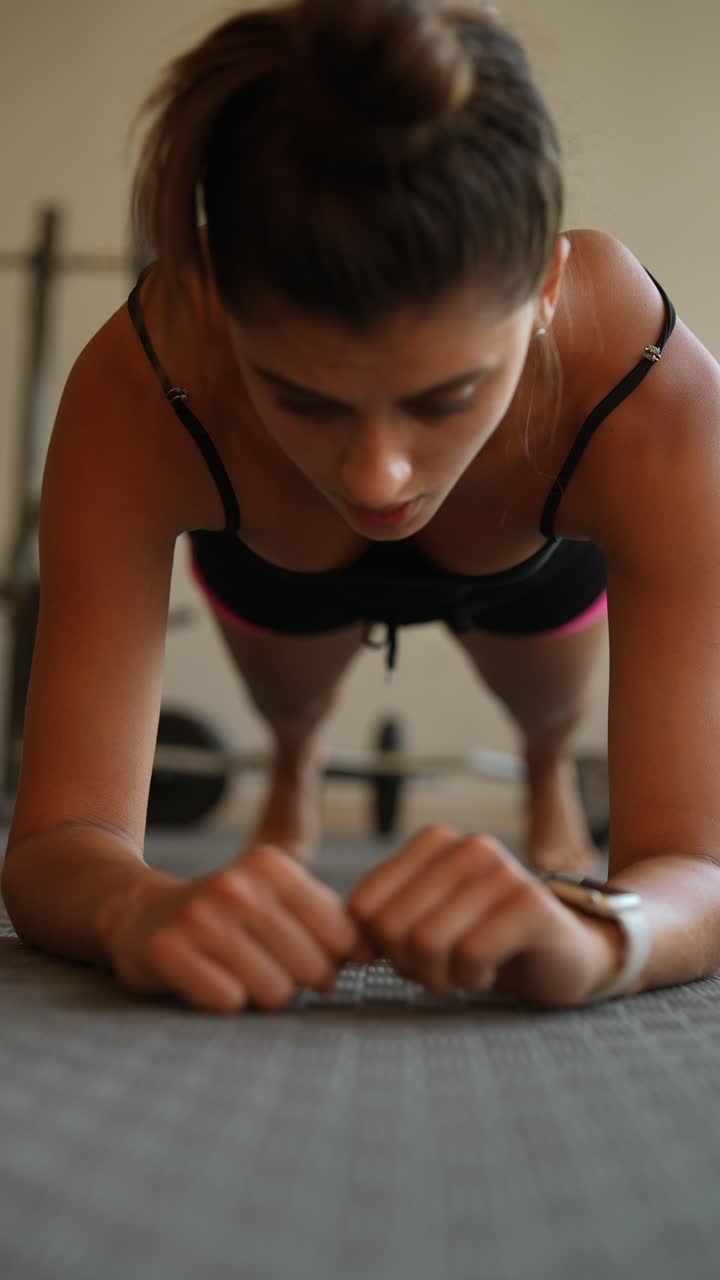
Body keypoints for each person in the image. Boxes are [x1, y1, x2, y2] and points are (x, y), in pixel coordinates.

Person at [3, 0, 720, 1015]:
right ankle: (296, 756)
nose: (379, 478)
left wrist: (607, 932)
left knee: (547, 702)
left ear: (547, 287)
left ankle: (547, 767)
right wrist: (135, 907)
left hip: (530, 553)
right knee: (288, 699)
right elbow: (52, 843)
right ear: (215, 305)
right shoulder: (145, 379)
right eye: (301, 395)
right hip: (273, 555)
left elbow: (697, 859)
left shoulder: (650, 387)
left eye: (445, 397)